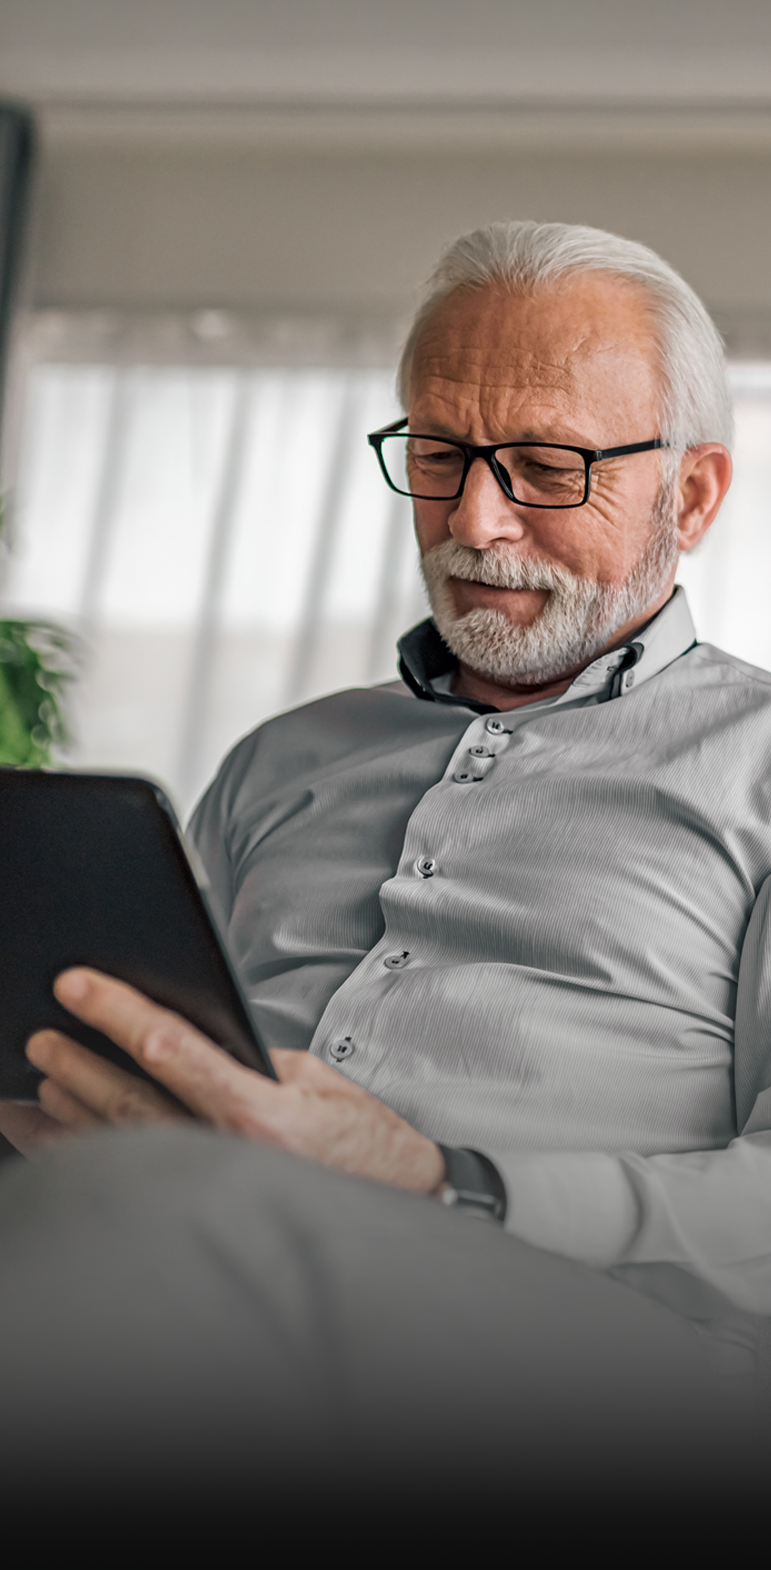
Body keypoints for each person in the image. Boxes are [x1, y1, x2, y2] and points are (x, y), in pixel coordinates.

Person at [0, 220, 766, 1515]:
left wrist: (433, 1177)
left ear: (687, 494)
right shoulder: (283, 758)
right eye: (437, 455)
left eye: (541, 467)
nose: (474, 519)